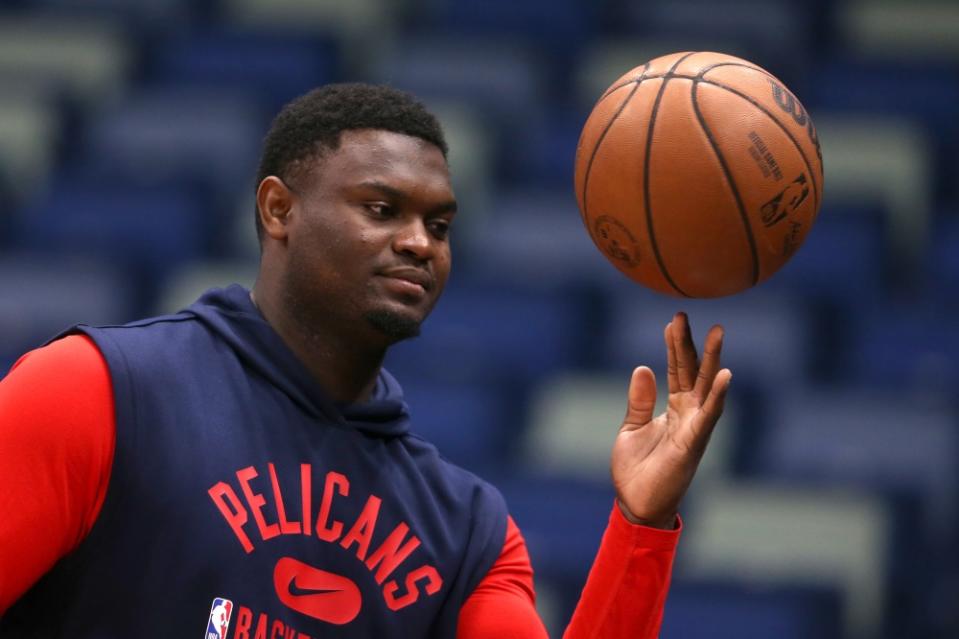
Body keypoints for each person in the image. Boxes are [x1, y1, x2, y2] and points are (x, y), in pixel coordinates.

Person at [0, 83, 731, 637]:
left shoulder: (467, 532)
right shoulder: (94, 391)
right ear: (278, 210)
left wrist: (642, 520)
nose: (419, 242)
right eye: (381, 210)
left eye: (437, 223)